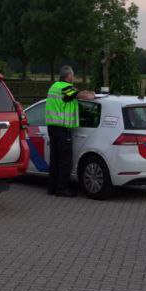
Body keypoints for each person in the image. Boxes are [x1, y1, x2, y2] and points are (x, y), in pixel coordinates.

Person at [45, 65, 96, 198]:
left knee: (55, 159)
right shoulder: (66, 88)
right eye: (72, 75)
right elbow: (85, 96)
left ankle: (52, 188)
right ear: (68, 76)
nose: (73, 77)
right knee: (65, 161)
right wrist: (93, 94)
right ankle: (62, 189)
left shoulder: (54, 87)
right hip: (62, 129)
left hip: (52, 127)